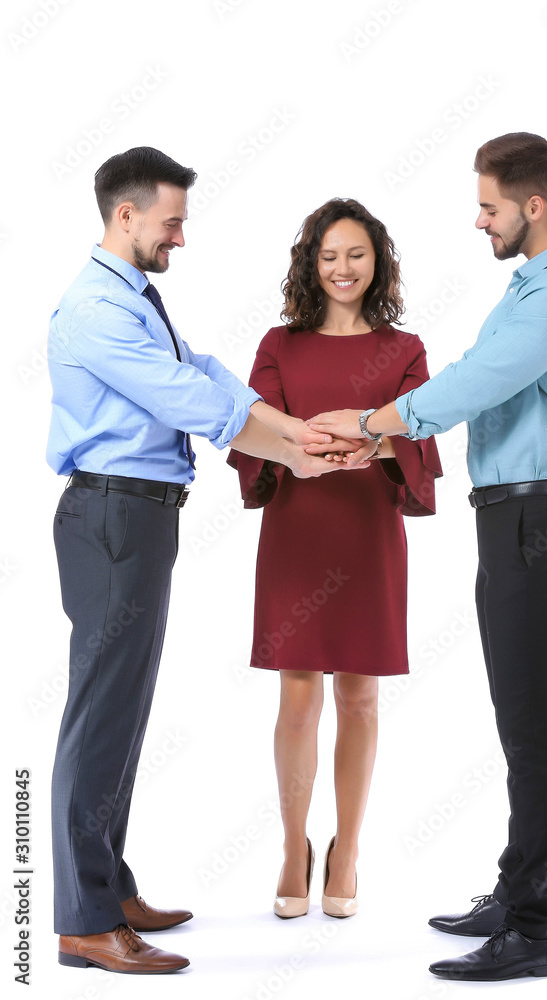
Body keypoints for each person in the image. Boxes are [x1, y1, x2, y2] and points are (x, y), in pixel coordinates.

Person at [47, 147, 362, 975]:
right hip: (113, 513)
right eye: (171, 221)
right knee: (101, 714)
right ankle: (83, 919)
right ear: (126, 216)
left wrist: (288, 432)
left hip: (139, 516)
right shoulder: (94, 308)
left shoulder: (134, 299)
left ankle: (107, 888)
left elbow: (202, 370)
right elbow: (179, 396)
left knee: (123, 711)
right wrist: (291, 445)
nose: (180, 236)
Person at [309, 133, 547, 980]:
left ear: (534, 205)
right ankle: (518, 888)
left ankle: (535, 930)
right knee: (522, 725)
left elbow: (484, 381)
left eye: (489, 206)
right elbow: (479, 370)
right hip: (512, 517)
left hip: (538, 518)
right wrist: (378, 440)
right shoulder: (531, 285)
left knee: (533, 729)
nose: (479, 220)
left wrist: (373, 423)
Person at [228, 198, 441, 920]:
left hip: (367, 532)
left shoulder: (403, 348)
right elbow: (254, 425)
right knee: (295, 699)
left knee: (359, 697)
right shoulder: (279, 344)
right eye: (328, 255)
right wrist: (305, 448)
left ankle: (346, 847)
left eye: (355, 254)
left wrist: (371, 443)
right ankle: (294, 845)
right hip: (298, 527)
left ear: (375, 260)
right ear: (309, 263)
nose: (342, 268)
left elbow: (420, 429)